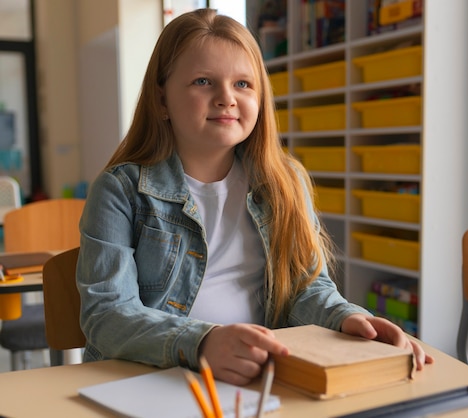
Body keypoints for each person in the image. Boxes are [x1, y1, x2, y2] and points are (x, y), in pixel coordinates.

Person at [76, 8, 433, 386]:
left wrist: (346, 317)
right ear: (161, 100)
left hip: (260, 377)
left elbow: (306, 288)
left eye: (243, 84)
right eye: (203, 81)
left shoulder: (284, 181)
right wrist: (202, 343)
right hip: (151, 376)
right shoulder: (120, 189)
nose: (226, 98)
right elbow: (108, 315)